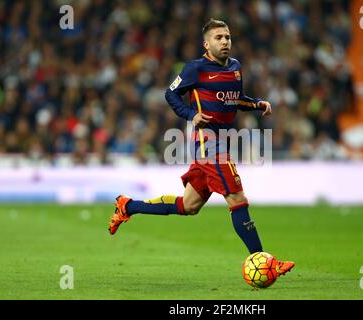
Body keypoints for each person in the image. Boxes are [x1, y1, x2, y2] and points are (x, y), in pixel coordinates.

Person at [108, 19, 295, 277]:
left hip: (222, 143)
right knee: (237, 199)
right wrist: (190, 115)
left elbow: (234, 99)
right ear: (207, 44)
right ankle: (263, 262)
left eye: (227, 37)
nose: (225, 41)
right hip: (209, 145)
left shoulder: (236, 68)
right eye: (219, 37)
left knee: (189, 205)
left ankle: (128, 206)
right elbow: (170, 94)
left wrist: (256, 104)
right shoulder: (194, 69)